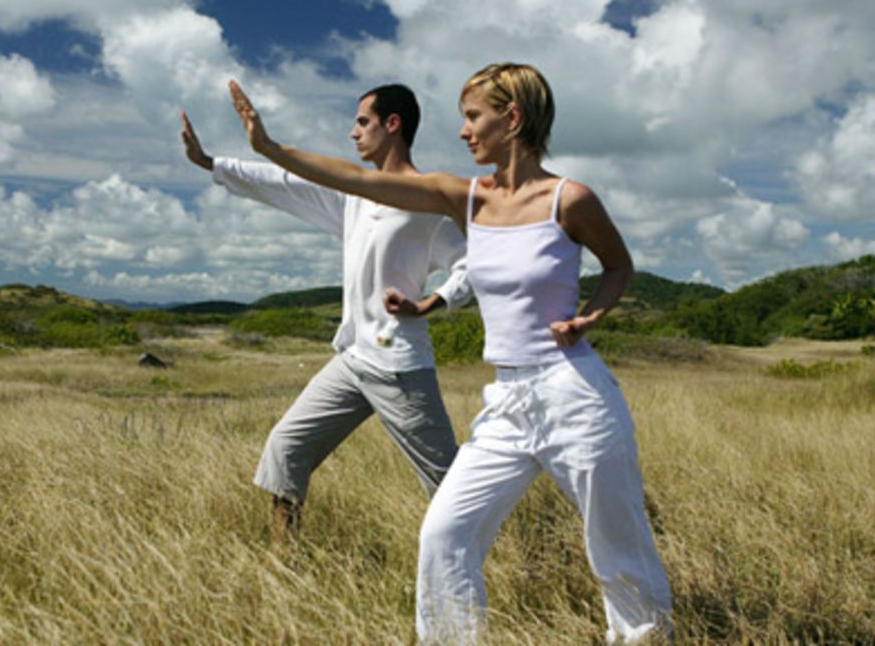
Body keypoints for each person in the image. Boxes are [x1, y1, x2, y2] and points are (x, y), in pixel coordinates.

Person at [226, 63, 672, 643]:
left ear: (511, 119)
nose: (463, 131)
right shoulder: (467, 199)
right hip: (507, 400)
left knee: (618, 553)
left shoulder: (570, 199)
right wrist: (269, 148)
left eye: (473, 116)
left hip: (575, 395)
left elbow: (619, 265)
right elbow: (352, 180)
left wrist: (593, 313)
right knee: (445, 537)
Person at [180, 84, 473, 543]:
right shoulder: (354, 195)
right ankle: (285, 563)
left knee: (448, 485)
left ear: (392, 124)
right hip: (353, 360)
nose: (352, 132)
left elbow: (471, 263)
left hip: (399, 367)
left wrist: (431, 303)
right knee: (286, 448)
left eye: (362, 122)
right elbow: (287, 184)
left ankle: (499, 566)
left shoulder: (425, 204)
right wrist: (214, 163)